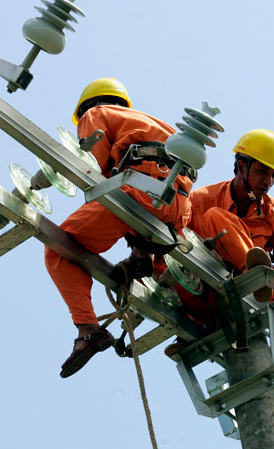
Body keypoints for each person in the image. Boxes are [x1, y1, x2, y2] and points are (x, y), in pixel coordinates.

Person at [44, 78, 194, 378]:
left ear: (89, 105)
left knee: (58, 248)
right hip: (179, 210)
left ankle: (88, 329)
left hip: (141, 193)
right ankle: (146, 259)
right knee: (165, 275)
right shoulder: (149, 121)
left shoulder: (94, 115)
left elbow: (93, 170)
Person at [164, 129, 274, 356]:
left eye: (273, 175)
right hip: (210, 293)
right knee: (211, 219)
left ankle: (255, 276)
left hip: (259, 293)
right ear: (242, 167)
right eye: (262, 172)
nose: (268, 182)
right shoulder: (201, 200)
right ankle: (199, 328)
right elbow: (170, 242)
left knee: (214, 217)